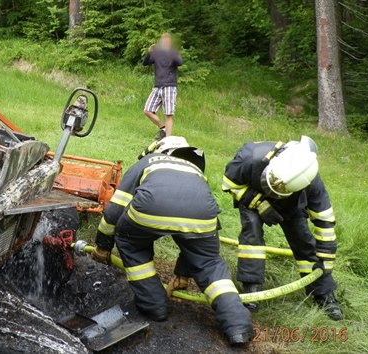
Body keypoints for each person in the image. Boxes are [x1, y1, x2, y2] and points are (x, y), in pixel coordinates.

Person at [92, 136, 253, 345]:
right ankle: (239, 327)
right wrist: (182, 274)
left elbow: (115, 210)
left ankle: (155, 306)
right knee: (210, 264)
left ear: (162, 150)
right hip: (202, 217)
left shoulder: (148, 162)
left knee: (131, 243)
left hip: (150, 209)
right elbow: (197, 242)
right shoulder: (195, 171)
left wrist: (103, 246)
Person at [222, 136, 342, 320]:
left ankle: (323, 293)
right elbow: (230, 184)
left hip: (292, 205)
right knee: (251, 233)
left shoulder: (311, 181)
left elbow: (325, 221)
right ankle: (251, 289)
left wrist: (325, 262)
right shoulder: (250, 156)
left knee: (303, 241)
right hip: (253, 195)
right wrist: (259, 203)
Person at [142, 33, 183, 139]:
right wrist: (149, 52)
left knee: (168, 114)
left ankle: (168, 139)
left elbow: (180, 62)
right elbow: (145, 63)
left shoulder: (173, 53)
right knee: (147, 110)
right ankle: (163, 128)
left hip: (169, 86)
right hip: (157, 86)